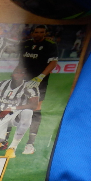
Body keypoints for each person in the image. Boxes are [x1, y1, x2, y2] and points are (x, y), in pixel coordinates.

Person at [0, 65, 38, 158]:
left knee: (28, 112)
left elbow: (34, 105)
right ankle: (1, 141)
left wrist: (11, 108)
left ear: (25, 75)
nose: (18, 74)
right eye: (16, 72)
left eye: (22, 73)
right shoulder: (2, 84)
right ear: (12, 74)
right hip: (0, 116)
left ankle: (12, 147)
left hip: (17, 116)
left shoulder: (29, 87)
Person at [17, 25, 58, 155]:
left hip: (39, 82)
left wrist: (40, 77)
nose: (39, 34)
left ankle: (30, 144)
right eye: (36, 32)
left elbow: (53, 62)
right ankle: (5, 141)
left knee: (35, 109)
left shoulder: (50, 46)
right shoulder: (25, 44)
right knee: (15, 106)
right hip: (22, 80)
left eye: (41, 32)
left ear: (45, 33)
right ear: (32, 33)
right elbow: (20, 62)